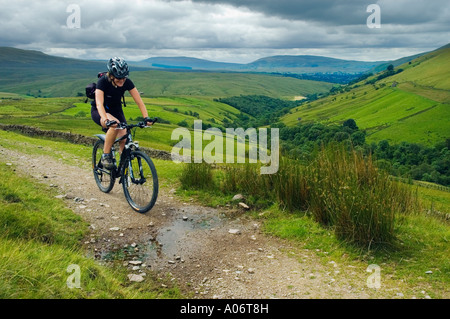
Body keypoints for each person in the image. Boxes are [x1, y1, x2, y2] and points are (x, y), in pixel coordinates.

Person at [91, 57, 152, 169]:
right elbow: (99, 104)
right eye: (119, 78)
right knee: (115, 126)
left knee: (124, 137)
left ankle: (123, 168)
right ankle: (105, 155)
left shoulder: (127, 82)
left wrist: (146, 117)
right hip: (100, 111)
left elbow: (139, 101)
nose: (122, 81)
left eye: (124, 78)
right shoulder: (103, 81)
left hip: (116, 110)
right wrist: (106, 120)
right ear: (112, 75)